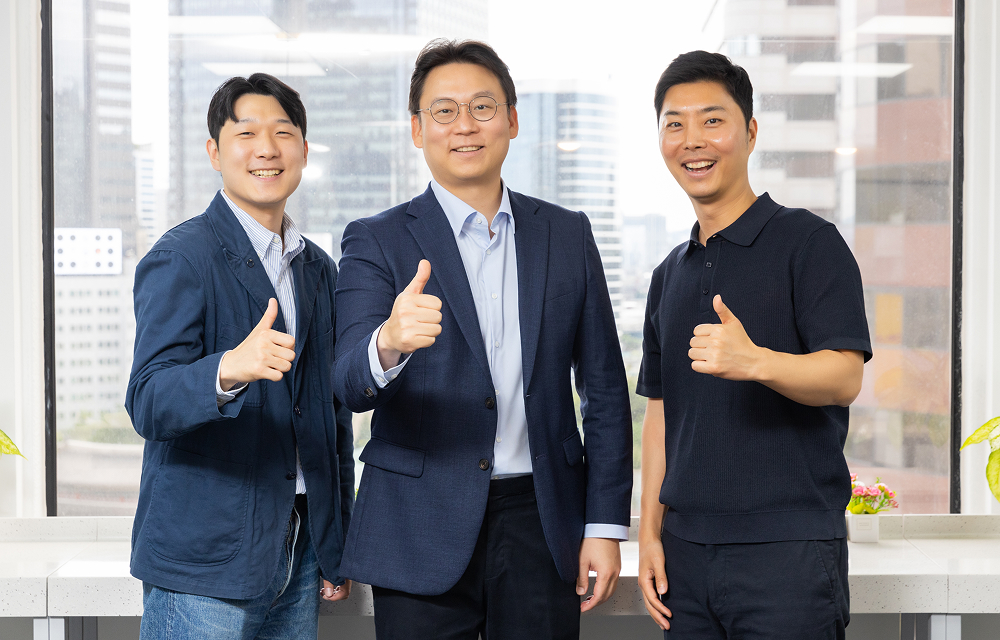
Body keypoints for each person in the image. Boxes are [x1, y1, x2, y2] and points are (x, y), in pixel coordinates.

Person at [332, 39, 633, 640]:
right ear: (417, 130)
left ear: (513, 120)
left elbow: (602, 388)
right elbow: (347, 382)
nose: (464, 126)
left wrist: (603, 525)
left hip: (541, 516)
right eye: (443, 112)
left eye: (483, 108)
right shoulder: (376, 240)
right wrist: (388, 342)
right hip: (418, 521)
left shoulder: (567, 234)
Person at [635, 50, 872, 639]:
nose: (693, 140)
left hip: (787, 552)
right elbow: (660, 414)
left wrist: (756, 362)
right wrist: (649, 535)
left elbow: (844, 377)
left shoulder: (809, 242)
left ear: (750, 132)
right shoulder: (669, 273)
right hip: (684, 556)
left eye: (713, 120)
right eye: (675, 123)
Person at [125, 73, 355, 640]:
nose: (267, 149)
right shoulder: (183, 256)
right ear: (214, 152)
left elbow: (331, 418)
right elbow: (148, 400)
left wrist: (333, 544)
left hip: (298, 551)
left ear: (303, 149)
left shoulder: (317, 269)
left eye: (283, 132)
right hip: (203, 560)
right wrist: (229, 368)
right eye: (246, 133)